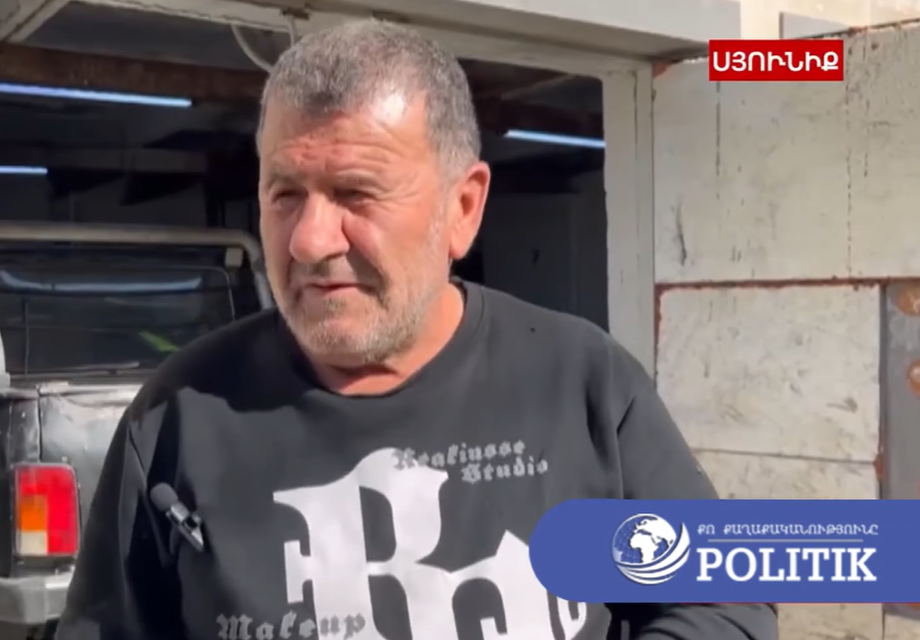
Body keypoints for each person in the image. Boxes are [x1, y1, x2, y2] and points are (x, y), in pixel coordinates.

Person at [56, 19, 777, 640]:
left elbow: (725, 604)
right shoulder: (179, 416)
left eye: (355, 193)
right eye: (285, 194)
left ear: (463, 208)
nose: (309, 239)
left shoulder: (580, 379)